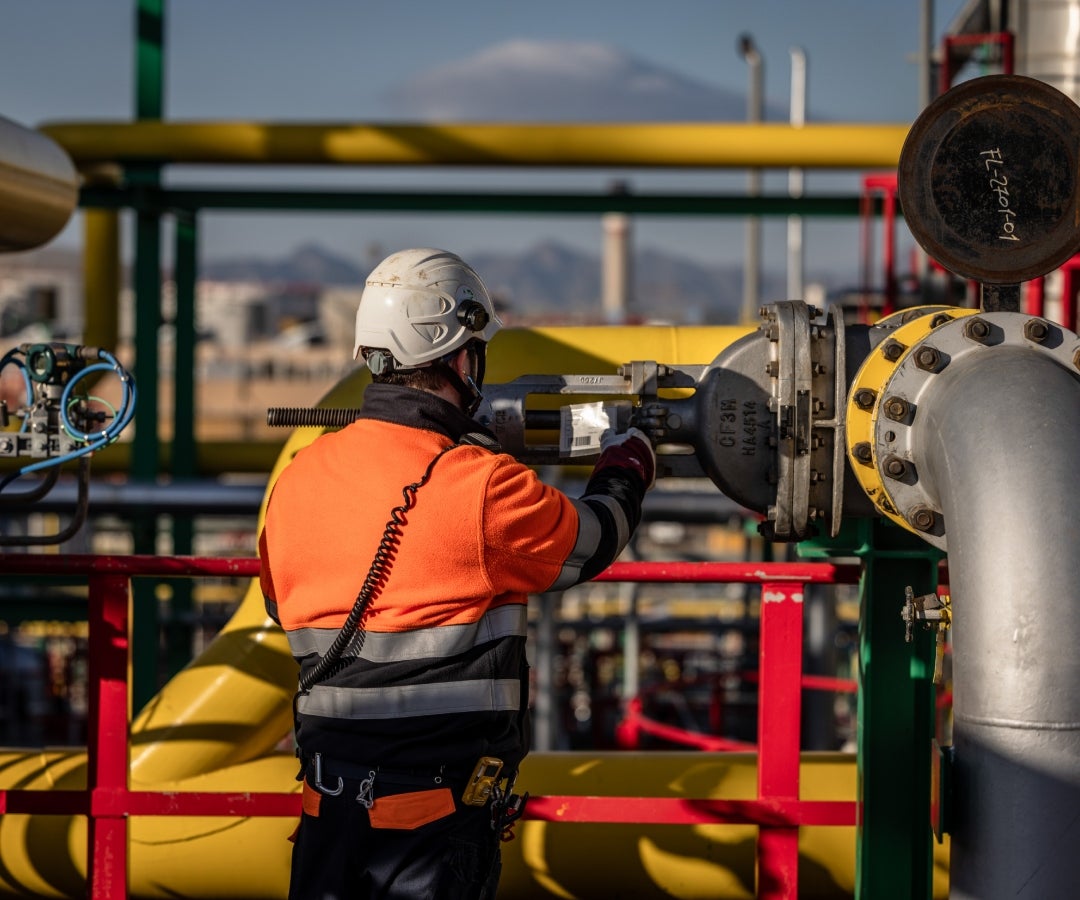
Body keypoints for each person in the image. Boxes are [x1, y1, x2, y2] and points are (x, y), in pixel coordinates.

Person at [259, 248, 656, 900]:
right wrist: (629, 462)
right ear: (460, 358)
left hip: (325, 816)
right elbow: (591, 542)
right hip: (431, 835)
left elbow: (281, 603)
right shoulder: (482, 487)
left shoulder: (299, 477)